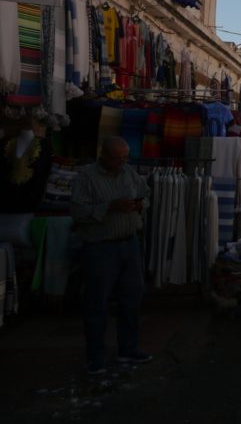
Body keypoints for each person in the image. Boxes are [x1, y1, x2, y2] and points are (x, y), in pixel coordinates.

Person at [69, 136, 151, 375]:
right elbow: (77, 211)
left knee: (131, 299)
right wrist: (109, 207)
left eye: (125, 157)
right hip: (100, 247)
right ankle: (96, 356)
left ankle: (129, 348)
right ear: (103, 155)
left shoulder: (128, 173)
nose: (122, 162)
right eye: (117, 158)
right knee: (97, 302)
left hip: (129, 244)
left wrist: (140, 204)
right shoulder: (87, 177)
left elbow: (146, 193)